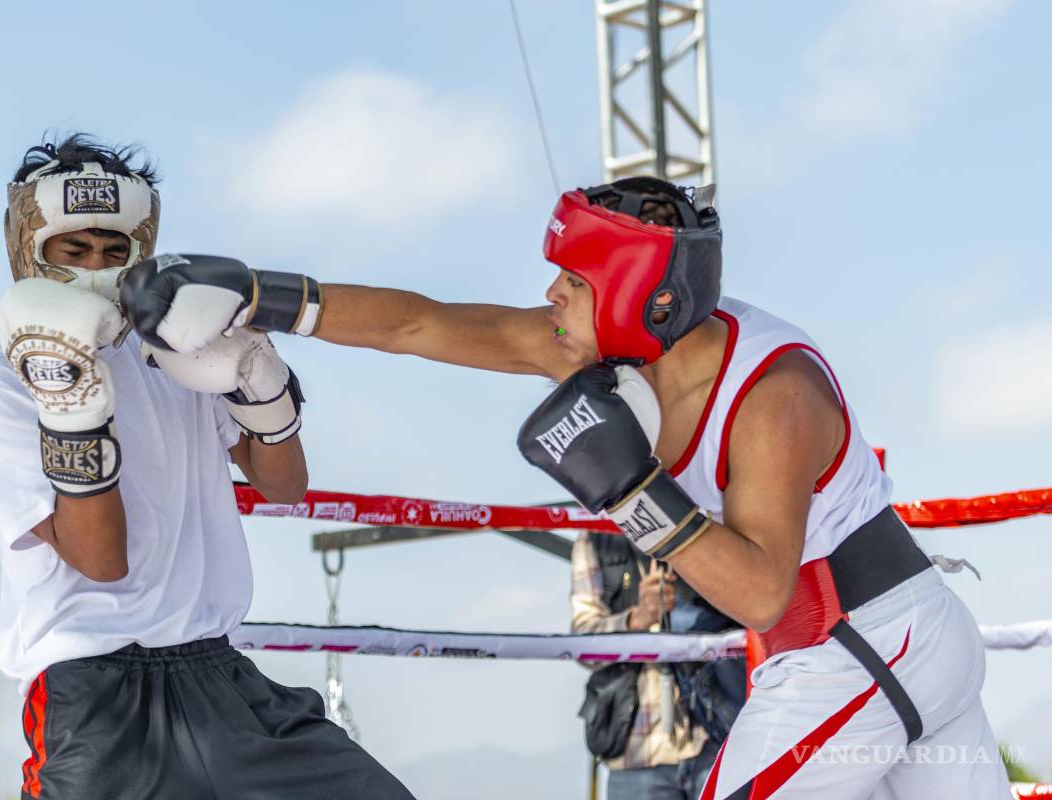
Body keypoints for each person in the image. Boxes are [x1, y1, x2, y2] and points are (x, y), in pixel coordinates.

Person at [121, 176, 1011, 798]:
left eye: (571, 280)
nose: (549, 293)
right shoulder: (621, 347)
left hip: (857, 647)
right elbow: (420, 322)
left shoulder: (770, 398)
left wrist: (632, 491)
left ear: (635, 294)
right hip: (891, 645)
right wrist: (261, 295)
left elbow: (761, 587)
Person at [0, 134, 414, 800]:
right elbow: (102, 559)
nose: (95, 267)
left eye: (115, 250)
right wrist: (70, 405)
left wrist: (263, 382)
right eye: (72, 250)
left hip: (218, 674)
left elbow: (284, 485)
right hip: (94, 693)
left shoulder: (171, 354)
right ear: (30, 250)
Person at [572, 533, 729, 799]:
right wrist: (637, 618)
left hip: (716, 736)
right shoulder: (594, 537)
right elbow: (583, 646)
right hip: (635, 749)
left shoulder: (703, 519)